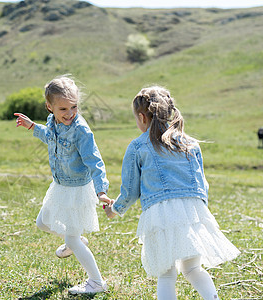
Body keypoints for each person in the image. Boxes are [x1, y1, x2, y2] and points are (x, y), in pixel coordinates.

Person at [102, 86, 240, 300]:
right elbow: (202, 184)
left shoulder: (138, 147)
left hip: (161, 214)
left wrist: (115, 209)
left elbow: (130, 191)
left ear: (141, 117)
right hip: (191, 211)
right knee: (193, 268)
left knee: (166, 274)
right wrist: (196, 208)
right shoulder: (190, 143)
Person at [14, 75, 111, 295]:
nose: (69, 113)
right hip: (60, 186)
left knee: (72, 238)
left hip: (77, 189)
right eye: (63, 109)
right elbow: (50, 137)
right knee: (42, 223)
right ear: (50, 107)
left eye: (74, 107)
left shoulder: (81, 131)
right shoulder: (53, 123)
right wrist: (32, 127)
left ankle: (96, 281)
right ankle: (74, 241)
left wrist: (102, 191)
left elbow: (95, 161)